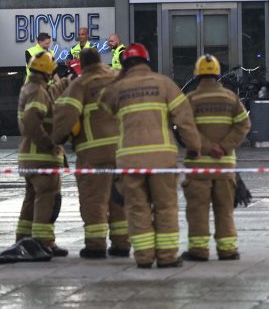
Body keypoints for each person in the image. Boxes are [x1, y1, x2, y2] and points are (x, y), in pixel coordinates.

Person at [98, 43, 200, 269]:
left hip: (130, 160)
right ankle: (167, 257)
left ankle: (143, 257)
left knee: (136, 208)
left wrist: (119, 77)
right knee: (165, 207)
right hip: (162, 159)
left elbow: (102, 104)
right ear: (147, 61)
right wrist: (194, 146)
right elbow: (184, 118)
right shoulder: (163, 84)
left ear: (125, 65)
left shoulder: (118, 88)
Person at [51, 47, 129, 259]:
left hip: (94, 152)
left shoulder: (81, 84)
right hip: (123, 151)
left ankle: (95, 245)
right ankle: (122, 244)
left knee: (94, 199)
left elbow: (67, 115)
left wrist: (56, 139)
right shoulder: (117, 77)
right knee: (119, 198)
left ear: (83, 65)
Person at [181, 54, 251, 262]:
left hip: (199, 167)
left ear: (197, 75)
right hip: (224, 166)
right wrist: (224, 147)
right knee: (224, 210)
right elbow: (244, 125)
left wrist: (209, 147)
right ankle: (228, 250)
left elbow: (186, 128)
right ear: (218, 74)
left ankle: (199, 250)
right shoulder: (231, 99)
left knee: (197, 210)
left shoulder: (191, 99)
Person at [16, 51, 68, 255]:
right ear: (47, 71)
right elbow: (31, 120)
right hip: (42, 157)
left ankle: (23, 240)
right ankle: (43, 243)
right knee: (47, 199)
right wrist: (48, 143)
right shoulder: (38, 91)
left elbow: (49, 95)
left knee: (31, 200)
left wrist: (65, 83)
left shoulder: (31, 88)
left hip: (29, 157)